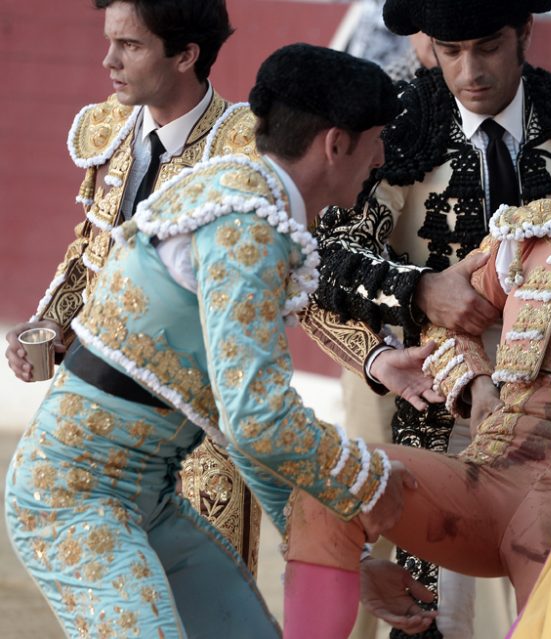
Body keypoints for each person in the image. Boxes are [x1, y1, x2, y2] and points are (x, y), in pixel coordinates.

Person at [3, 43, 428, 638]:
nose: (380, 156)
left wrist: (346, 560)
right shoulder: (248, 223)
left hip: (145, 500)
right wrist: (363, 477)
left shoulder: (250, 202)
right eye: (376, 138)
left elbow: (247, 431)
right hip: (74, 498)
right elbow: (258, 419)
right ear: (336, 144)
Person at [287, 87, 551, 636]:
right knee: (330, 482)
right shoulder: (535, 239)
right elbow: (447, 317)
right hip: (488, 480)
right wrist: (476, 385)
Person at [304, 0, 551, 632]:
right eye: (450, 50)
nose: (470, 70)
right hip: (417, 385)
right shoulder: (403, 122)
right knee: (399, 576)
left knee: (545, 578)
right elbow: (329, 253)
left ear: (524, 31)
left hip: (547, 395)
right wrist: (419, 289)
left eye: (488, 46)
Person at [2, 0, 265, 569]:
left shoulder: (242, 152)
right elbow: (90, 248)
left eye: (131, 45)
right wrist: (50, 323)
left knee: (207, 606)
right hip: (101, 414)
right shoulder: (112, 128)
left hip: (198, 426)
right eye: (110, 41)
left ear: (185, 55)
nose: (108, 60)